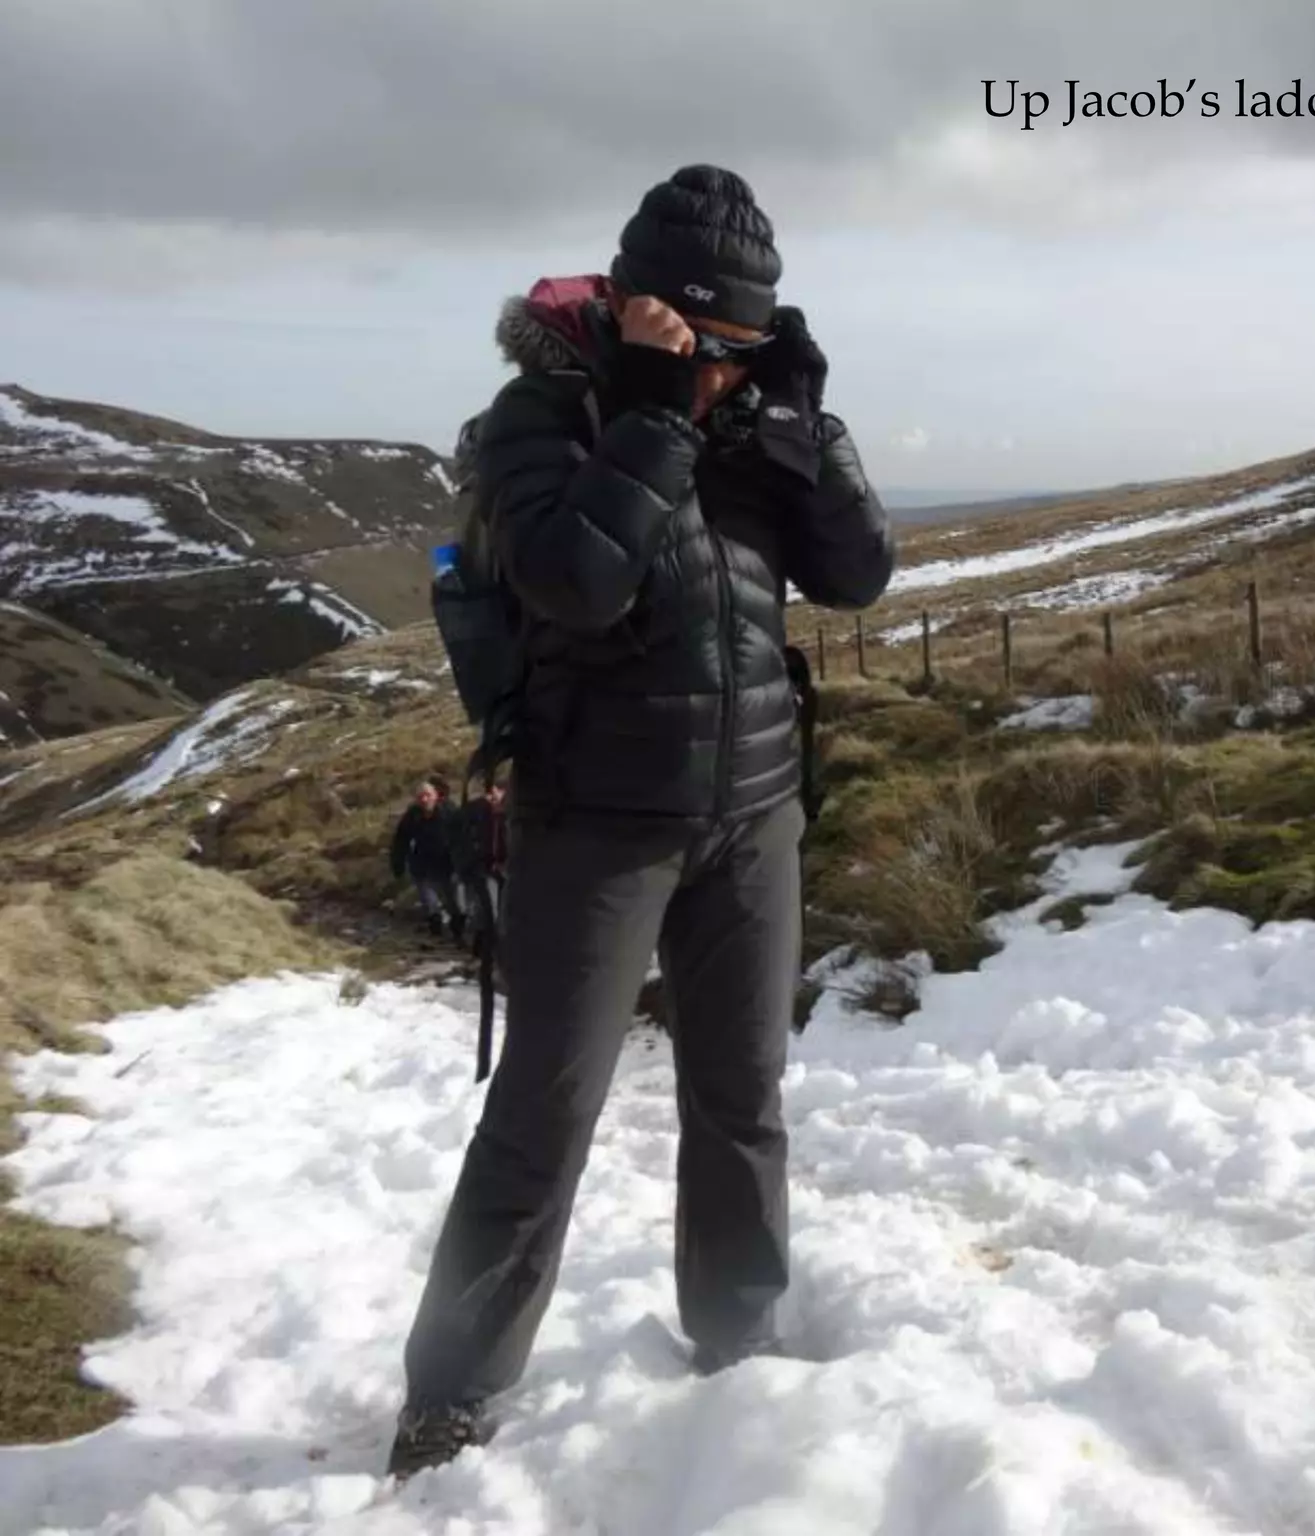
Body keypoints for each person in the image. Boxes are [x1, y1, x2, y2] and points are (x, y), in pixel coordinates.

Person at [387, 164, 894, 1479]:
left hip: (756, 817)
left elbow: (858, 573)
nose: (725, 369)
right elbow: (572, 583)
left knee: (744, 1101)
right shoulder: (535, 420)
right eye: (703, 344)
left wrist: (807, 421)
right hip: (596, 825)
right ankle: (451, 1393)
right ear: (633, 312)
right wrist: (655, 422)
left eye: (746, 345)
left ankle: (738, 1339)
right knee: (546, 1111)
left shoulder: (751, 414)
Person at [388, 777, 462, 942]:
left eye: (428, 795)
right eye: (421, 796)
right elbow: (401, 841)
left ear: (436, 795)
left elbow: (462, 838)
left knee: (453, 902)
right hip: (422, 865)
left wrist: (462, 863)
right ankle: (436, 934)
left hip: (447, 864)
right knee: (430, 903)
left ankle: (458, 935)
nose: (424, 799)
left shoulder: (449, 812)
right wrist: (397, 865)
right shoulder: (412, 815)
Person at [451, 781, 508, 950]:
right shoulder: (478, 813)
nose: (491, 798)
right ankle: (486, 946)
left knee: (497, 908)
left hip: (505, 868)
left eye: (494, 794)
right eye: (488, 794)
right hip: (483, 868)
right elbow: (464, 841)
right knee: (489, 909)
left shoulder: (508, 815)